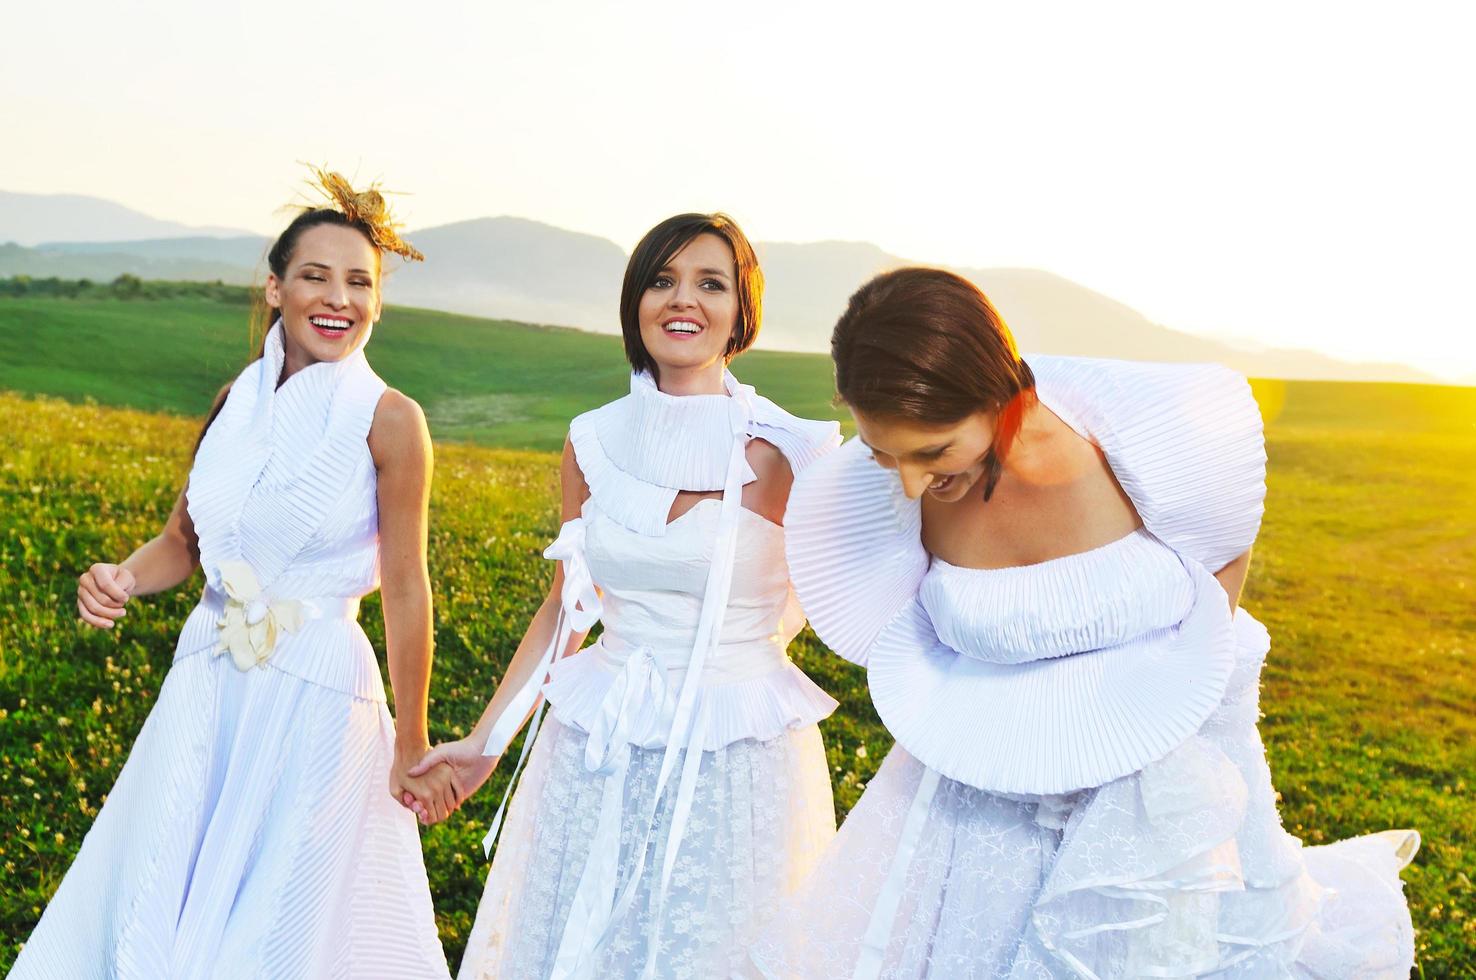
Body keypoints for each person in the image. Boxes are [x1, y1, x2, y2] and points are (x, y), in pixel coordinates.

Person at [746, 267, 1420, 978]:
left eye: (934, 452)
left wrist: (1176, 704)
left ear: (999, 397)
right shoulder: (885, 491)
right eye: (885, 454)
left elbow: (1226, 541)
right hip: (984, 796)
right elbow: (884, 619)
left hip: (1155, 772)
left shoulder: (1132, 447)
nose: (910, 484)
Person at [13, 171, 454, 979]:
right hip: (209, 680)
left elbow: (404, 589)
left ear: (379, 303)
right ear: (277, 286)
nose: (338, 298)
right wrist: (122, 575)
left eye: (360, 282)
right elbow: (184, 541)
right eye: (315, 275)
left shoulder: (391, 420)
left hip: (317, 692)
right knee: (156, 891)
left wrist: (414, 739)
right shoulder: (234, 401)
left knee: (280, 925)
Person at [411, 213, 841, 979]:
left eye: (712, 283)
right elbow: (567, 606)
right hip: (598, 744)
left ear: (742, 312)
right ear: (635, 302)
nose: (684, 300)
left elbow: (834, 601)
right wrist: (483, 746)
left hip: (734, 752)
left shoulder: (785, 453)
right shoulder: (591, 440)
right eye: (662, 280)